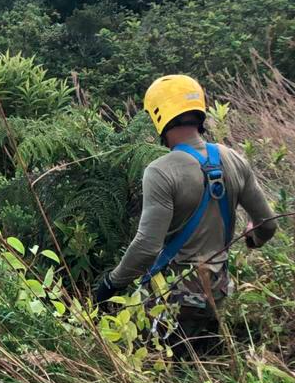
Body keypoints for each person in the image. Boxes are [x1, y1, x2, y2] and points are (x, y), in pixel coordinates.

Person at [92, 74, 277, 356]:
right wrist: (252, 238)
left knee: (128, 357)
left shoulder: (161, 170)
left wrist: (109, 284)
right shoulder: (235, 160)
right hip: (218, 293)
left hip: (173, 299)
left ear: (159, 116)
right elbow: (267, 225)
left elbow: (146, 247)